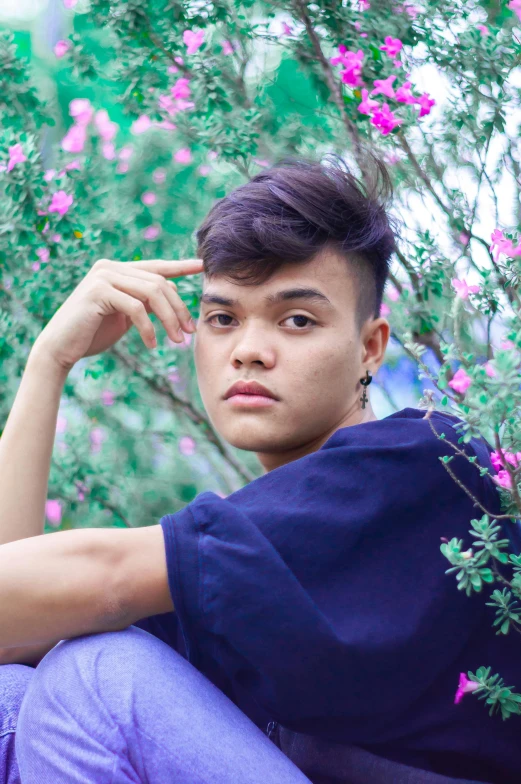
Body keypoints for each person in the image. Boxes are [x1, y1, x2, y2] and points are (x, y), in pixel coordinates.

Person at [0, 155, 519, 784]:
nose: (247, 350)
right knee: (12, 699)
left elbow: (99, 578)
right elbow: (16, 633)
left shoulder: (423, 463)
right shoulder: (263, 530)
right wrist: (49, 360)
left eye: (296, 319)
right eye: (222, 319)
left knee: (98, 674)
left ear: (370, 346)